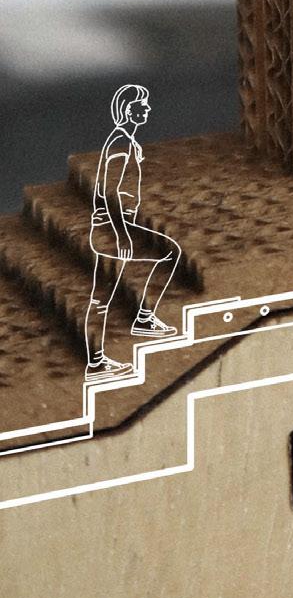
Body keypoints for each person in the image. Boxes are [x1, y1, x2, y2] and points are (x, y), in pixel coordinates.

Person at [83, 84, 181, 381]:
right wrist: (122, 235)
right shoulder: (120, 144)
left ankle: (136, 325)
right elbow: (106, 193)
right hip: (113, 227)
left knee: (103, 294)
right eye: (142, 106)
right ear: (128, 110)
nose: (147, 109)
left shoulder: (127, 142)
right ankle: (103, 356)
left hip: (118, 224)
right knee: (166, 254)